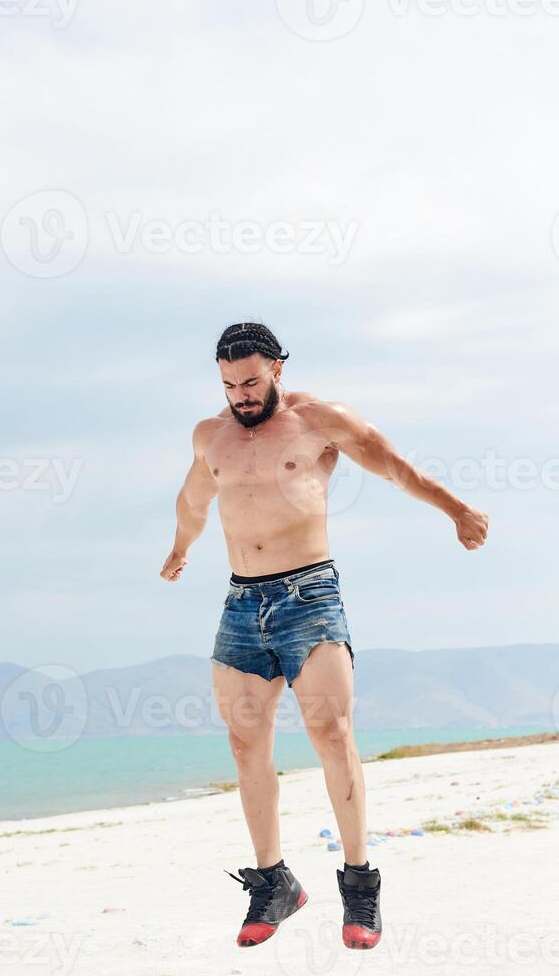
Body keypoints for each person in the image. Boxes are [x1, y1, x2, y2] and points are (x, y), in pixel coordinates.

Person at [160, 320, 489, 950]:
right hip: (240, 600)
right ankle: (274, 882)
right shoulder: (211, 436)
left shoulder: (319, 421)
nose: (241, 396)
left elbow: (395, 467)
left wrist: (457, 509)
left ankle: (360, 886)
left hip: (309, 593)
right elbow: (192, 502)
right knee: (243, 741)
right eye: (230, 385)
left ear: (277, 368)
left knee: (331, 733)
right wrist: (179, 551)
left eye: (251, 382)